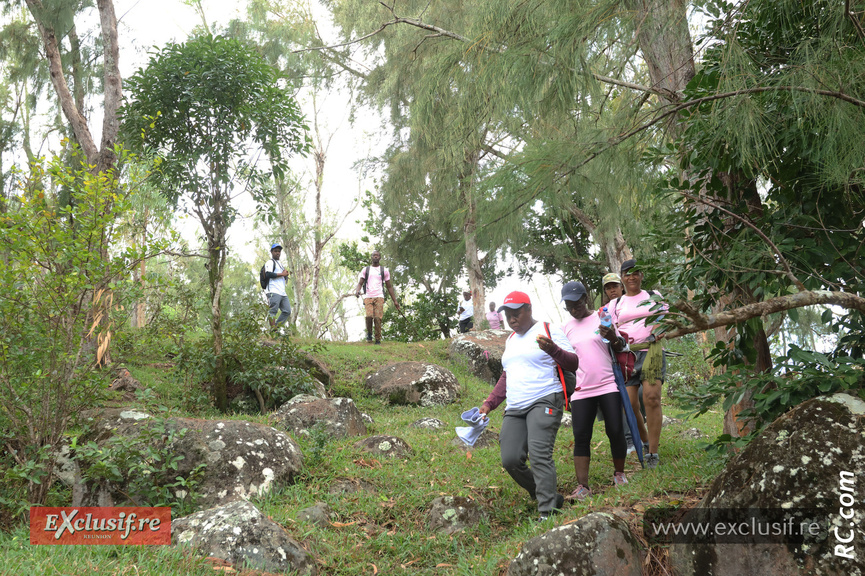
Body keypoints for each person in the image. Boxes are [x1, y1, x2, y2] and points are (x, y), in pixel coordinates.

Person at [480, 291, 579, 521]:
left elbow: (573, 363)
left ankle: (547, 511)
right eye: (507, 315)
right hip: (515, 407)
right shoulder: (511, 340)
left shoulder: (548, 329)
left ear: (529, 309)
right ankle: (546, 493)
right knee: (510, 459)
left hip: (545, 398)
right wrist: (489, 403)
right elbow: (507, 375)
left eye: (516, 313)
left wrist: (552, 349)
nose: (511, 319)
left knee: (539, 453)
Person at [559, 281, 629, 501]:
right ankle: (583, 487)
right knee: (581, 435)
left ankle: (619, 474)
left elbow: (621, 346)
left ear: (586, 298)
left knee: (615, 430)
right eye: (569, 306)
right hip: (581, 389)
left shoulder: (602, 316)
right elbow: (564, 360)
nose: (573, 309)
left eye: (577, 304)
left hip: (608, 384)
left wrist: (612, 336)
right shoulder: (565, 328)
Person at [609, 259, 667, 469]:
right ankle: (644, 440)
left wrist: (657, 331)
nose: (631, 277)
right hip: (626, 355)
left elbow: (663, 319)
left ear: (641, 275)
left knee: (651, 398)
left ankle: (653, 453)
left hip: (651, 350)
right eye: (627, 274)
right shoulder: (616, 304)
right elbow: (608, 327)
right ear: (622, 278)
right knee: (630, 405)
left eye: (635, 273)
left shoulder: (653, 296)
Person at [353, 250, 401, 344]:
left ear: (380, 257)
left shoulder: (384, 270)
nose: (375, 256)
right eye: (374, 255)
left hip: (379, 296)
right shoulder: (366, 270)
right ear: (371, 257)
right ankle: (369, 334)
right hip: (368, 296)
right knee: (369, 316)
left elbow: (389, 286)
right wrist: (357, 291)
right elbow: (360, 283)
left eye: (377, 255)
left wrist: (395, 301)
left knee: (378, 318)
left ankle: (378, 339)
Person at [263, 243, 291, 331]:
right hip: (273, 290)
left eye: (279, 251)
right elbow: (268, 274)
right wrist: (282, 274)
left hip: (282, 292)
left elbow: (282, 274)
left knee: (287, 311)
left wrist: (285, 274)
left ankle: (275, 329)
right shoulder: (270, 262)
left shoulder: (280, 264)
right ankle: (273, 332)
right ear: (271, 252)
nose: (277, 253)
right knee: (273, 311)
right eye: (275, 251)